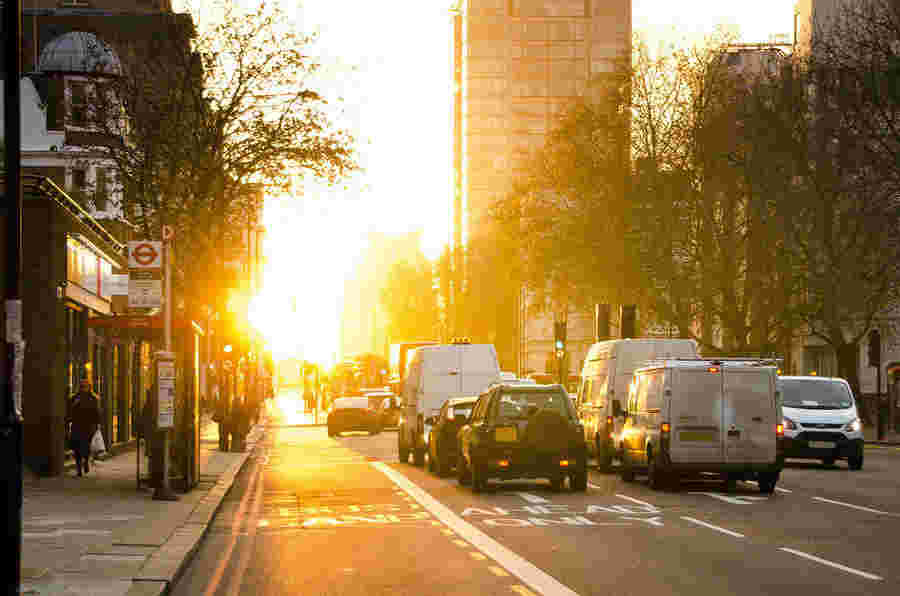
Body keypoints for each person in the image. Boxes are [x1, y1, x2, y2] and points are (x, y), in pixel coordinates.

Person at [66, 379, 103, 477]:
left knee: (86, 447)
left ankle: (86, 461)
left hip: (88, 426)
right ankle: (79, 468)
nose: (84, 388)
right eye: (82, 387)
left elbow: (97, 412)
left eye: (85, 387)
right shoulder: (74, 397)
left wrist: (97, 424)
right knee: (77, 447)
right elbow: (69, 410)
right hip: (77, 426)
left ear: (89, 387)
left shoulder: (93, 398)